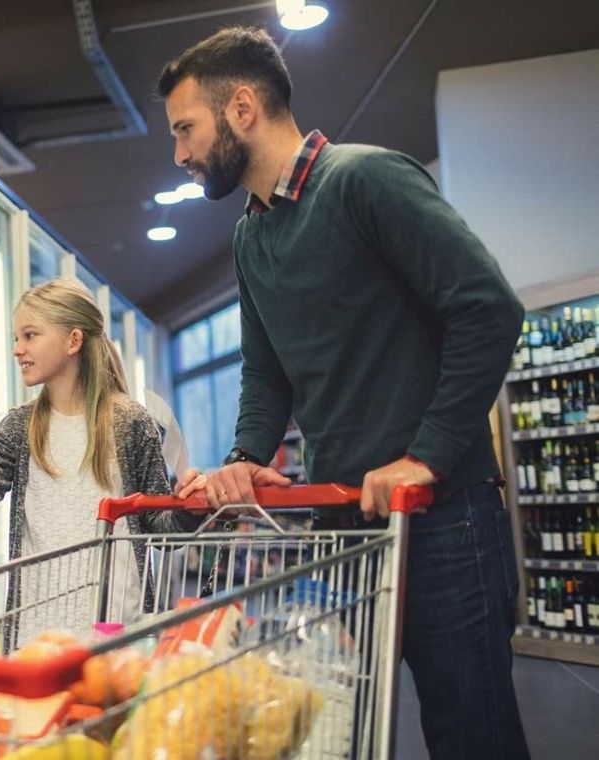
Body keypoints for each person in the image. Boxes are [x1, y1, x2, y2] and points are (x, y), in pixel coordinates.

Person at [156, 26, 529, 760]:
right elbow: (267, 372)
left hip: (445, 520)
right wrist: (243, 458)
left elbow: (489, 308)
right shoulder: (250, 237)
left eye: (185, 129)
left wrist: (425, 456)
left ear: (240, 109)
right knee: (343, 734)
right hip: (347, 525)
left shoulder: (365, 180)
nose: (180, 154)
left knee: (470, 734)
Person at [0, 278, 203, 646]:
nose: (17, 350)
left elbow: (158, 527)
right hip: (36, 635)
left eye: (30, 335)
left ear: (73, 340)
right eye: (15, 339)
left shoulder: (130, 422)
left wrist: (188, 506)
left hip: (117, 628)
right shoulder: (20, 427)